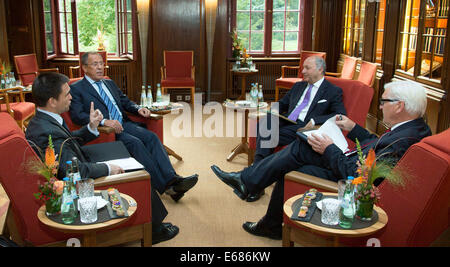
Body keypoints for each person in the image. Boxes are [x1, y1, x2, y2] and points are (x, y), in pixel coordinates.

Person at [211, 80, 431, 240]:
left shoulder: (403, 139)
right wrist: (354, 128)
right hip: (350, 164)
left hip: (351, 184)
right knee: (296, 159)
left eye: (384, 102)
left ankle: (248, 183)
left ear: (400, 105)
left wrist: (329, 148)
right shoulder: (414, 129)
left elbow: (361, 177)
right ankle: (264, 212)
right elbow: (376, 144)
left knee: (301, 148)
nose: (380, 106)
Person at [26, 72, 179, 244]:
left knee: (123, 149)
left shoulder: (45, 119)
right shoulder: (47, 132)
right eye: (66, 94)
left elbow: (69, 141)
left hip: (79, 157)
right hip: (79, 175)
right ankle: (154, 229)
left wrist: (91, 127)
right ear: (52, 101)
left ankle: (154, 204)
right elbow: (73, 173)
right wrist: (108, 168)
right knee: (136, 169)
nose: (71, 97)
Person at [69, 52, 197, 202]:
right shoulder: (77, 88)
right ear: (84, 68)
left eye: (101, 63)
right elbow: (77, 116)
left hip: (125, 123)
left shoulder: (108, 82)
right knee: (136, 143)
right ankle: (167, 187)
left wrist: (137, 109)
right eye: (95, 64)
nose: (100, 67)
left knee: (151, 137)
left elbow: (124, 101)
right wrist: (103, 121)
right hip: (108, 131)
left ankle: (173, 179)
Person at [249, 56, 347, 201]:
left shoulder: (332, 91)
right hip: (287, 121)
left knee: (266, 133)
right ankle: (257, 177)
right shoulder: (298, 86)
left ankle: (255, 181)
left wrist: (315, 120)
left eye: (307, 68)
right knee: (265, 123)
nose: (303, 71)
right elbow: (282, 103)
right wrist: (273, 110)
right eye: (303, 68)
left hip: (304, 127)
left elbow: (340, 115)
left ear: (320, 69)